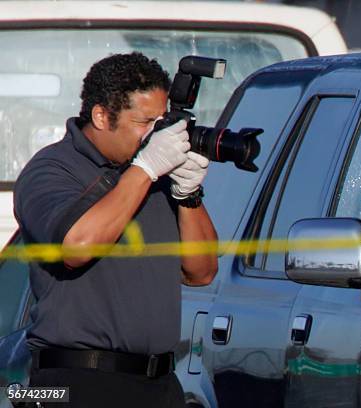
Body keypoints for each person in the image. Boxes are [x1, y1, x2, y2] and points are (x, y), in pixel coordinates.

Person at [13, 52, 218, 407]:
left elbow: (201, 272)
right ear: (101, 116)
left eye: (161, 121)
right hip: (78, 381)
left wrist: (189, 195)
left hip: (158, 384)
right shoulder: (52, 169)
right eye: (144, 122)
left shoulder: (154, 174)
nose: (156, 135)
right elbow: (76, 247)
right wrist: (146, 168)